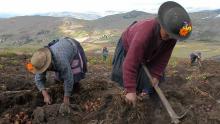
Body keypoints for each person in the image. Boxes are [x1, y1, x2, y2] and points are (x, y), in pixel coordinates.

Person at [111, 1, 192, 106]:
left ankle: (144, 91)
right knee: (123, 75)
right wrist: (130, 90)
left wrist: (156, 74)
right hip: (130, 44)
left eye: (172, 36)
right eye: (167, 35)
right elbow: (131, 62)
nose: (170, 38)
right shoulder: (144, 33)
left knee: (153, 78)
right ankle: (128, 91)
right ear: (161, 24)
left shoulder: (172, 36)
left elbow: (164, 57)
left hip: (148, 47)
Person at [27, 37, 87, 112]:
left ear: (48, 64)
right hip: (61, 50)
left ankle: (75, 91)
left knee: (74, 76)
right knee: (59, 78)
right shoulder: (40, 61)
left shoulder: (60, 60)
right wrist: (45, 95)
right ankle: (65, 90)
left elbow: (68, 78)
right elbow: (39, 79)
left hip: (73, 47)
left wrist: (66, 99)